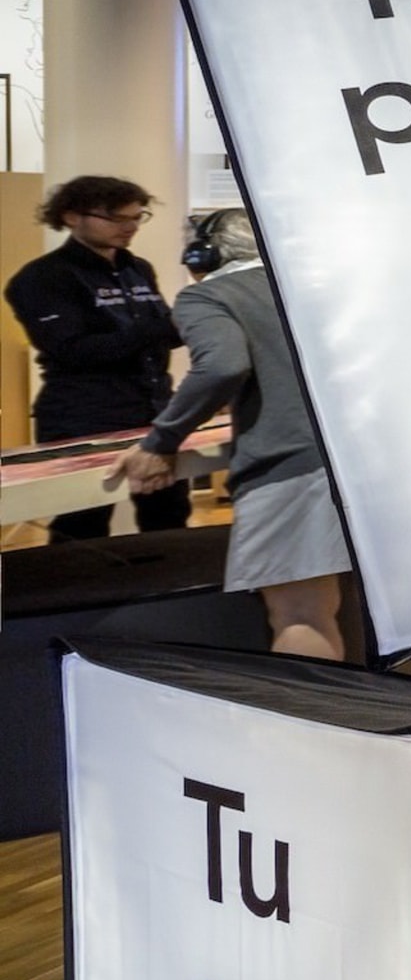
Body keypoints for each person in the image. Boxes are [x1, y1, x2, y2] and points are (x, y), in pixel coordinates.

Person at [112, 210, 352, 660]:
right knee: (338, 608)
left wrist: (161, 440)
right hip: (363, 462)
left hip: (292, 466)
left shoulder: (208, 296)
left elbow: (222, 365)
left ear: (202, 253)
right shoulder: (320, 289)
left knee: (300, 615)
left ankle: (306, 727)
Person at [4, 174, 188, 539]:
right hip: (84, 418)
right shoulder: (42, 278)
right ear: (72, 217)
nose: (130, 227)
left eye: (137, 217)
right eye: (117, 219)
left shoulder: (138, 268)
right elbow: (74, 350)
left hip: (152, 412)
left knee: (168, 513)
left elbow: (163, 335)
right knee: (82, 522)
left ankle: (168, 594)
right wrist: (161, 329)